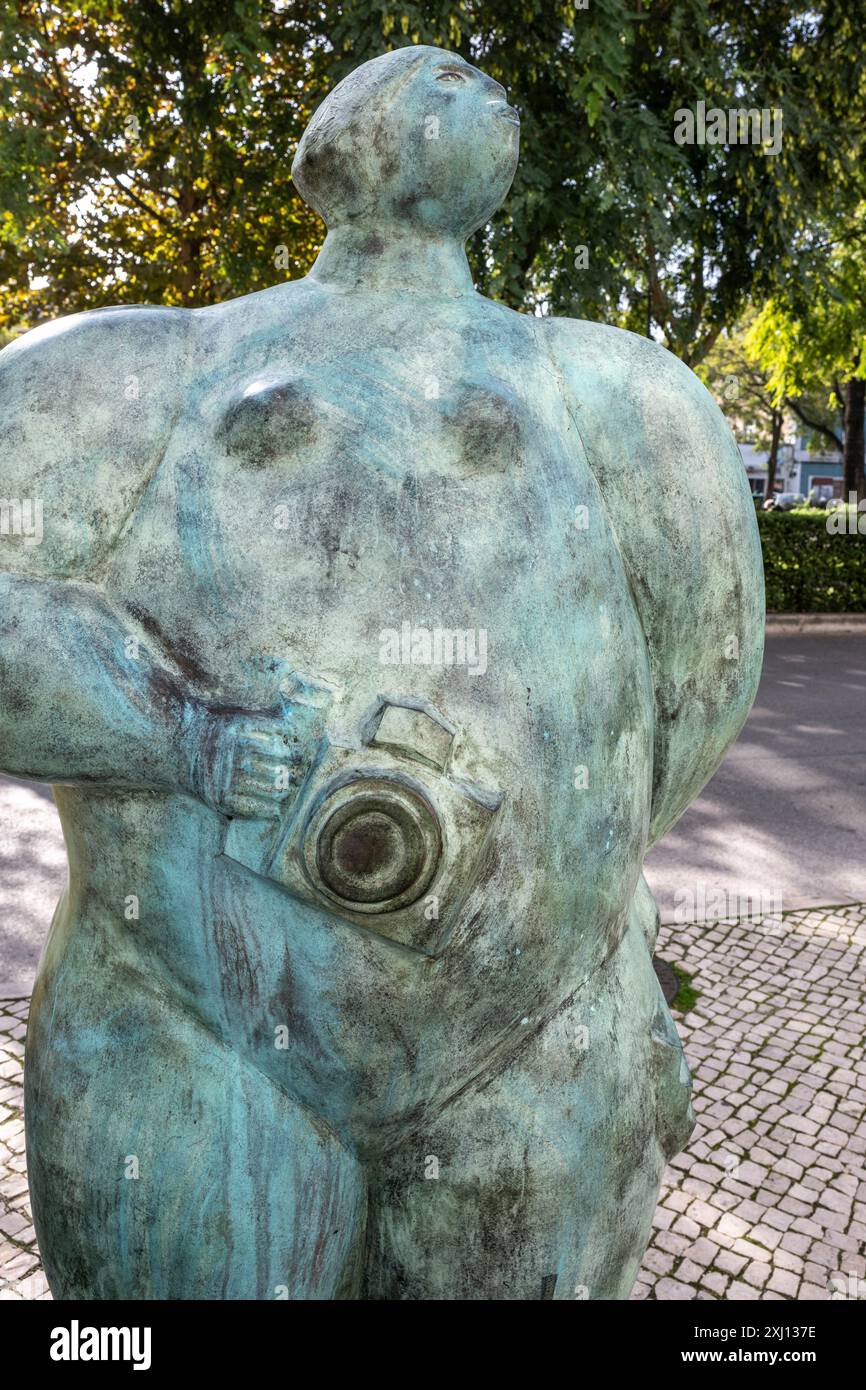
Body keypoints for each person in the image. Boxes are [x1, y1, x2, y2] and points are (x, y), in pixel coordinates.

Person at [0, 45, 763, 1299]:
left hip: (535, 1029)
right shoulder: (143, 368)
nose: (436, 100)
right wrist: (178, 729)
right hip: (190, 1012)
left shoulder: (620, 393)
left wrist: (567, 876)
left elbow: (701, 672)